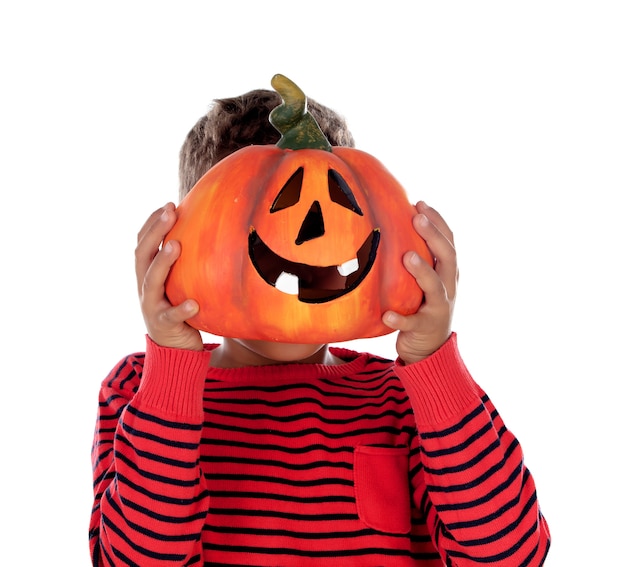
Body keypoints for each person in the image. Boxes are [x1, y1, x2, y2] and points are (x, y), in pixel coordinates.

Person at [90, 85, 551, 566]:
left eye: (341, 200)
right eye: (244, 201)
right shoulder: (140, 388)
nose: (311, 237)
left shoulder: (404, 397)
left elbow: (508, 556)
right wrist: (172, 368)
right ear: (181, 236)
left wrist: (433, 363)